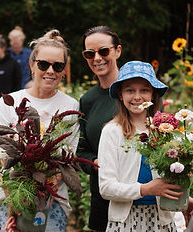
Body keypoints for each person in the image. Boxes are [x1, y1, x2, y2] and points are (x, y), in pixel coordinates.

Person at [0, 29, 79, 232]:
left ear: (64, 70)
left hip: (51, 201)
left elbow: (68, 155)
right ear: (32, 64)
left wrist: (47, 185)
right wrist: (16, 201)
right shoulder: (9, 102)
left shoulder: (70, 106)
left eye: (58, 66)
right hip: (9, 196)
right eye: (43, 64)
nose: (50, 71)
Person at [98, 60, 193, 231]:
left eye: (144, 90)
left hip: (161, 220)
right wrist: (145, 189)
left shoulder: (165, 131)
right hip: (125, 221)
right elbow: (106, 188)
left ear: (153, 94)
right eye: (130, 90)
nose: (137, 97)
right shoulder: (112, 131)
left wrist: (184, 198)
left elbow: (166, 178)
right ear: (120, 94)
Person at [77, 25, 122, 231]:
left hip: (140, 193)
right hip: (102, 193)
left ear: (117, 51)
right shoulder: (88, 100)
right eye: (89, 53)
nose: (97, 58)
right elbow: (81, 149)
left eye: (104, 51)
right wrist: (94, 162)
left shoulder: (137, 93)